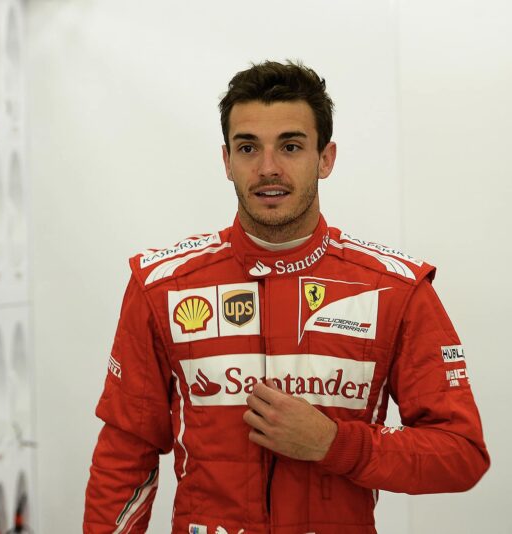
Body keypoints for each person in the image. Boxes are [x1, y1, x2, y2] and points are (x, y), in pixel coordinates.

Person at [83, 60, 489, 534]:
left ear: (326, 158)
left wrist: (335, 444)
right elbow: (125, 453)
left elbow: (461, 453)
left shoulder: (395, 289)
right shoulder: (161, 285)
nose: (268, 168)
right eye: (248, 147)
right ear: (226, 160)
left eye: (291, 146)